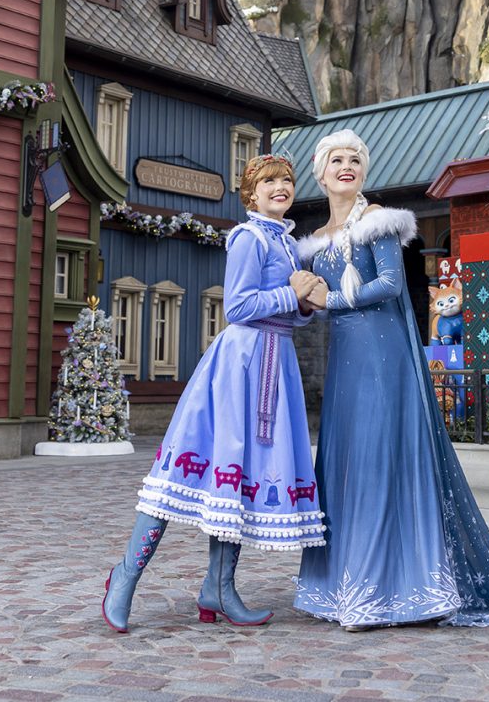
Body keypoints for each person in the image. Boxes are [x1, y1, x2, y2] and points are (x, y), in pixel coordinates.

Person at [293, 129, 489, 629]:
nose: (347, 166)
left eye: (356, 158)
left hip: (384, 361)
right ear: (320, 170)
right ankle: (343, 586)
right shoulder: (320, 240)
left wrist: (328, 300)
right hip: (347, 367)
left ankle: (391, 589)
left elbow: (390, 284)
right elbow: (318, 305)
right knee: (349, 462)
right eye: (337, 159)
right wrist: (303, 300)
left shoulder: (377, 222)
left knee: (380, 459)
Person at [101, 154, 329, 633]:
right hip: (240, 367)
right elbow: (240, 305)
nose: (280, 187)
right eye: (269, 181)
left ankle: (219, 588)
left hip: (274, 361)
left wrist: (305, 304)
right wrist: (292, 295)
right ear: (252, 193)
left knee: (241, 476)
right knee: (184, 466)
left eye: (286, 180)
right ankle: (125, 576)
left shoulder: (285, 241)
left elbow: (287, 306)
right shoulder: (248, 237)